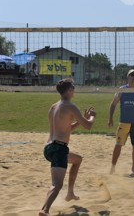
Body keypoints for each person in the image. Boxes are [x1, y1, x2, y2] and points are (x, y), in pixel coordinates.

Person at [39, 78, 96, 216]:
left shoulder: (54, 107)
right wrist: (92, 117)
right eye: (74, 87)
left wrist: (81, 120)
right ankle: (44, 210)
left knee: (77, 160)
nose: (74, 89)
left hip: (49, 147)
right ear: (69, 90)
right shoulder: (71, 106)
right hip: (59, 148)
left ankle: (70, 193)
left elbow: (66, 128)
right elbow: (88, 126)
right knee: (57, 184)